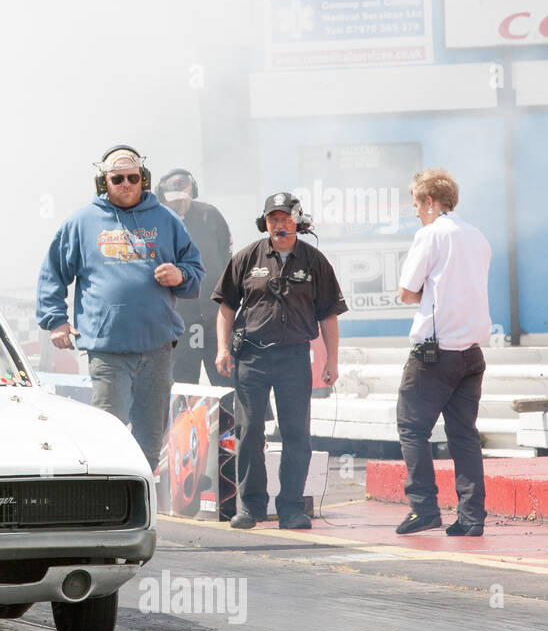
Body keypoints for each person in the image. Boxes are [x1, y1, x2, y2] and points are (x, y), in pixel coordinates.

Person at [37, 145, 205, 469]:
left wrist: (180, 274)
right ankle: (107, 512)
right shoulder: (82, 223)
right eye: (118, 179)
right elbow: (53, 272)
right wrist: (56, 321)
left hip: (157, 350)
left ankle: (143, 509)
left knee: (151, 440)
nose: (126, 184)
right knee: (107, 435)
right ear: (104, 182)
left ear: (143, 179)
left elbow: (195, 271)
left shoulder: (167, 220)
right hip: (109, 352)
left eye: (132, 177)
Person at [213, 192, 347, 530]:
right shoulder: (247, 257)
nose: (279, 224)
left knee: (295, 433)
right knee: (249, 432)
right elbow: (226, 308)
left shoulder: (315, 261)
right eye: (273, 218)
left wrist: (332, 360)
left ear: (298, 220)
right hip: (252, 357)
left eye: (285, 217)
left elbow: (329, 315)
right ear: (265, 222)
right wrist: (222, 349)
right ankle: (251, 507)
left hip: (294, 358)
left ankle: (290, 509)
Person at [393, 168, 492, 536]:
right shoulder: (478, 236)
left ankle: (423, 508)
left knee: (412, 427)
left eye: (417, 204)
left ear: (430, 202)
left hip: (435, 352)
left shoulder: (430, 234)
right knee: (464, 435)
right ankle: (471, 518)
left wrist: (429, 294)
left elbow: (406, 291)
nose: (416, 211)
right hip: (472, 352)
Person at [156, 169, 233, 386]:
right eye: (174, 200)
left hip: (214, 318)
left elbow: (227, 261)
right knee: (180, 386)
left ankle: (231, 421)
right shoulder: (155, 222)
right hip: (178, 322)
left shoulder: (210, 215)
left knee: (228, 383)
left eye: (184, 199)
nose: (181, 204)